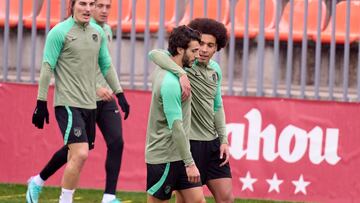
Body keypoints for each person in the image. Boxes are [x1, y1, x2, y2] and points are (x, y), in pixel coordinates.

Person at [29, 0, 129, 202]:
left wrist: (119, 93)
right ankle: (65, 199)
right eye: (82, 3)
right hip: (67, 103)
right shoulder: (59, 32)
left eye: (91, 3)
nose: (87, 8)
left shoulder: (98, 33)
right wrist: (41, 102)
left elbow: (106, 65)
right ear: (72, 5)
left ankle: (37, 181)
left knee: (77, 151)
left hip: (89, 105)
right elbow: (48, 66)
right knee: (81, 153)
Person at [148, 18, 234, 203]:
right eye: (200, 44)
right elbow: (155, 54)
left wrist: (223, 139)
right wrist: (181, 74)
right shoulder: (186, 63)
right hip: (189, 143)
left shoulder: (215, 70)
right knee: (188, 200)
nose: (203, 50)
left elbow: (217, 106)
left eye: (210, 45)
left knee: (226, 197)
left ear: (217, 48)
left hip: (212, 143)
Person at [145, 25, 205, 203]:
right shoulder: (171, 83)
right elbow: (176, 126)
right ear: (180, 49)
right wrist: (190, 163)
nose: (197, 55)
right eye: (194, 51)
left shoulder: (170, 67)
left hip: (180, 153)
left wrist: (181, 73)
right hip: (164, 158)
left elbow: (155, 54)